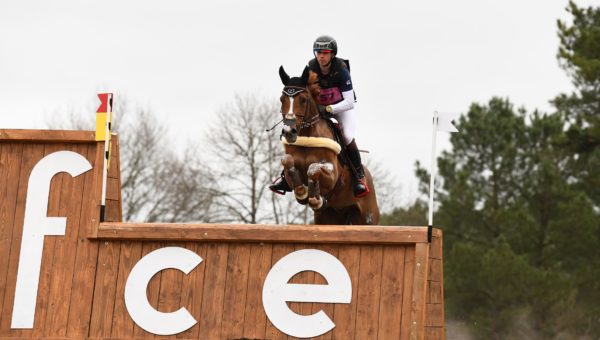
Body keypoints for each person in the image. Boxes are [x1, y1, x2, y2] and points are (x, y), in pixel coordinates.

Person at [270, 35, 370, 198]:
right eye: (318, 52)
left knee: (347, 135)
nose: (321, 56)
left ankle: (359, 177)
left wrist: (330, 108)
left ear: (332, 54)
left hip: (341, 107)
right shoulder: (312, 66)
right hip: (320, 108)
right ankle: (284, 177)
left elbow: (350, 101)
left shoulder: (341, 70)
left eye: (324, 53)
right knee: (299, 129)